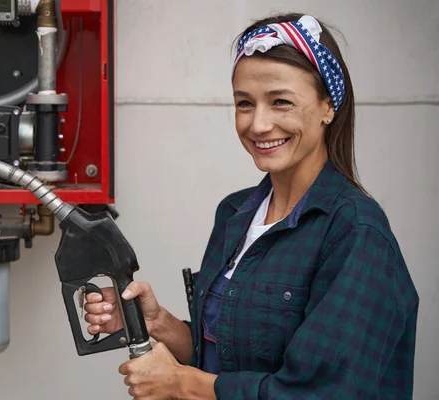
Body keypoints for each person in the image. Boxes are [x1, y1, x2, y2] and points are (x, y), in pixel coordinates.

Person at [84, 12, 419, 399]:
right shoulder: (235, 213)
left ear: (329, 106)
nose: (258, 125)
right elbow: (228, 358)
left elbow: (322, 392)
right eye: (245, 103)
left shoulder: (356, 233)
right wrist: (158, 323)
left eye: (281, 102)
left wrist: (180, 384)